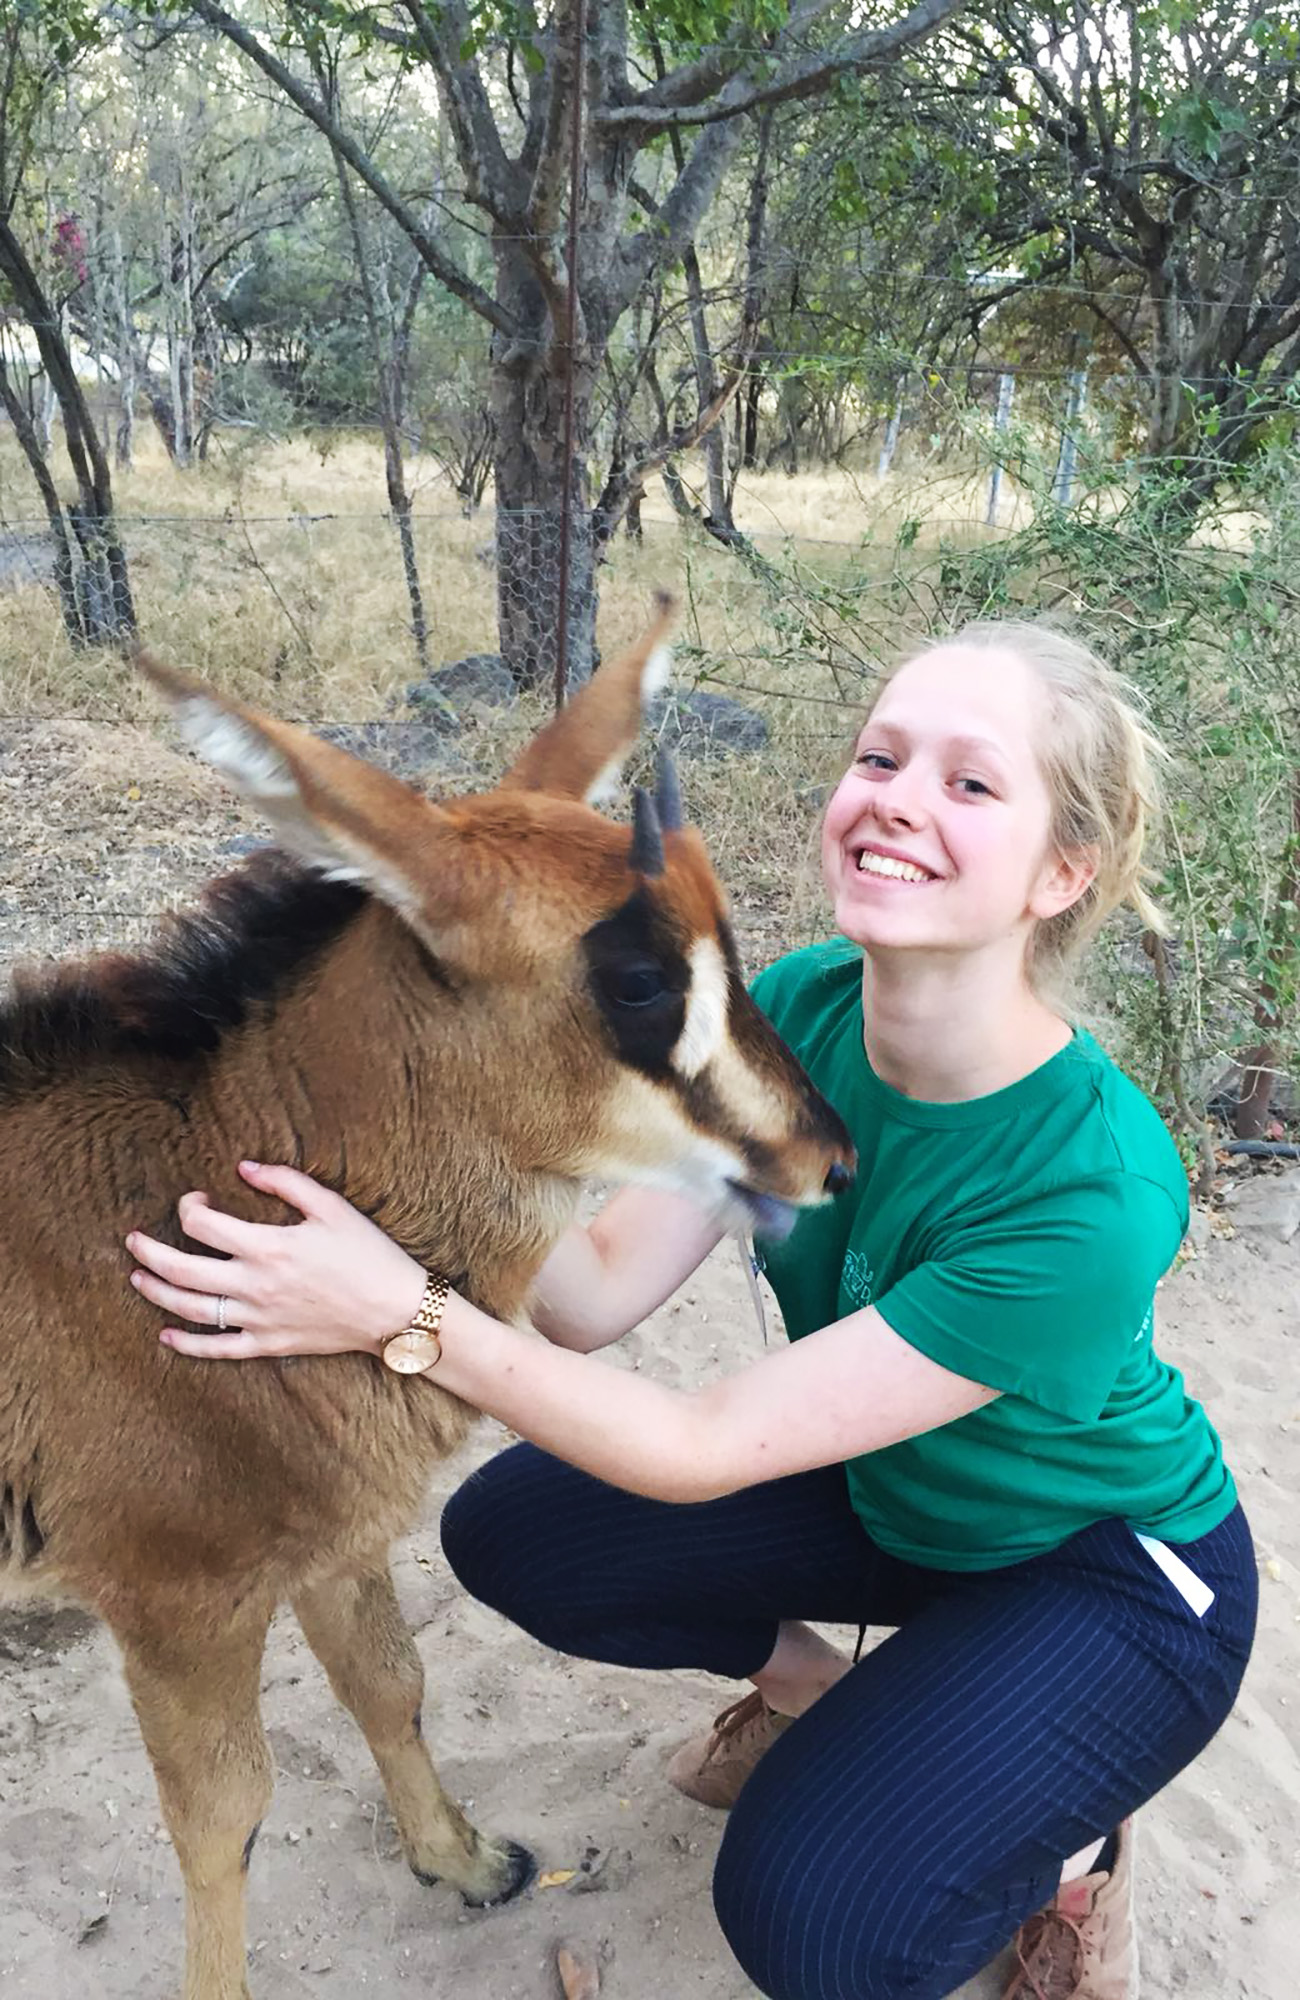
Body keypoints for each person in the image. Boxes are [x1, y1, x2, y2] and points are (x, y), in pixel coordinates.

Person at [126, 621, 1256, 2000]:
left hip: (1105, 1569)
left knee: (818, 1921)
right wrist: (392, 1160)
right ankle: (817, 1692)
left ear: (1062, 871)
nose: (897, 795)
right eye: (880, 757)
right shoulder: (798, 1005)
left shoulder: (1094, 1188)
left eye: (971, 784)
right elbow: (592, 1300)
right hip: (903, 1500)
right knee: (520, 1530)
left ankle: (1071, 1845)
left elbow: (704, 1443)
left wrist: (397, 1308)